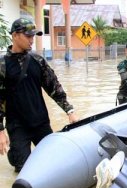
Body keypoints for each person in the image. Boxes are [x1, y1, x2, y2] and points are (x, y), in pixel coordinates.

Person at [0, 18, 79, 172]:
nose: (32, 40)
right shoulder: (2, 65)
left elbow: (54, 87)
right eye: (28, 36)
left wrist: (70, 111)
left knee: (56, 163)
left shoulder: (38, 61)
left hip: (41, 123)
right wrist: (0, 131)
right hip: (17, 126)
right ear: (15, 35)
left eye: (33, 36)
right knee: (23, 169)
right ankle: (15, 153)